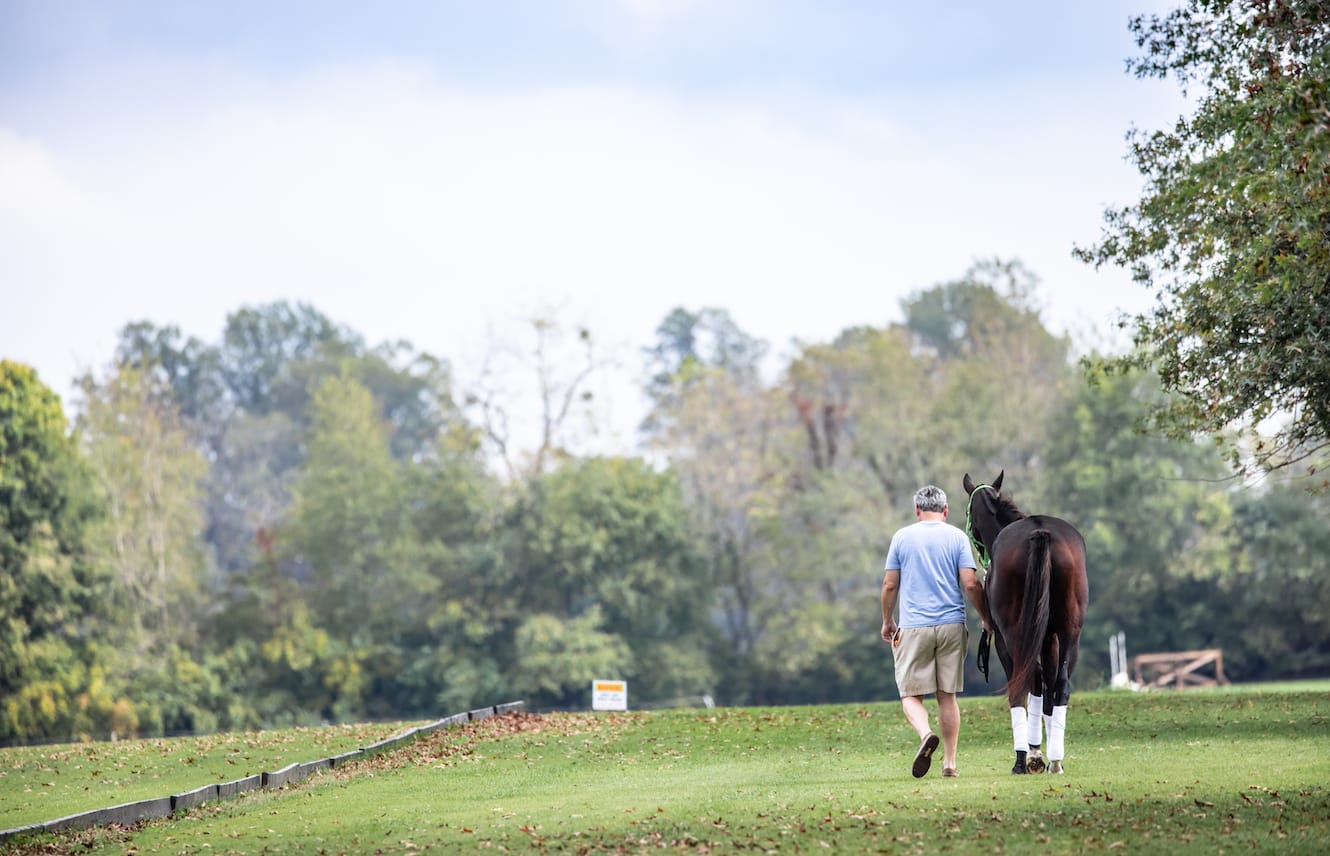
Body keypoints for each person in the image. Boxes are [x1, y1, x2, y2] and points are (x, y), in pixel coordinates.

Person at [880, 484, 992, 778]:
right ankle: (950, 763)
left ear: (917, 510)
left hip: (914, 626)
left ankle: (926, 734)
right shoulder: (956, 536)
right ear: (946, 510)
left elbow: (890, 585)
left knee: (910, 695)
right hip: (951, 626)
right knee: (947, 696)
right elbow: (971, 584)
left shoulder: (902, 537)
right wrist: (986, 618)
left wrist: (887, 621)